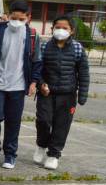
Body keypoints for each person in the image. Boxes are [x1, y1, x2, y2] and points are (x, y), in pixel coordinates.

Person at [0, 0, 41, 169]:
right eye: (14, 18)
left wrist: (33, 82)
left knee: (13, 121)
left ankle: (10, 154)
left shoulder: (32, 35)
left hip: (18, 85)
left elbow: (37, 60)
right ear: (8, 16)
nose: (17, 22)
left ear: (28, 18)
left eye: (21, 19)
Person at [32, 16, 90, 170]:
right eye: (58, 27)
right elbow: (38, 69)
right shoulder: (44, 47)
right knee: (43, 121)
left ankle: (53, 154)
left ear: (72, 31)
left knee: (62, 125)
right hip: (46, 93)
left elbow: (83, 73)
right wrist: (41, 84)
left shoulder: (78, 48)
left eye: (65, 28)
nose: (61, 30)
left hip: (67, 95)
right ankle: (41, 145)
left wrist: (83, 95)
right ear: (52, 29)